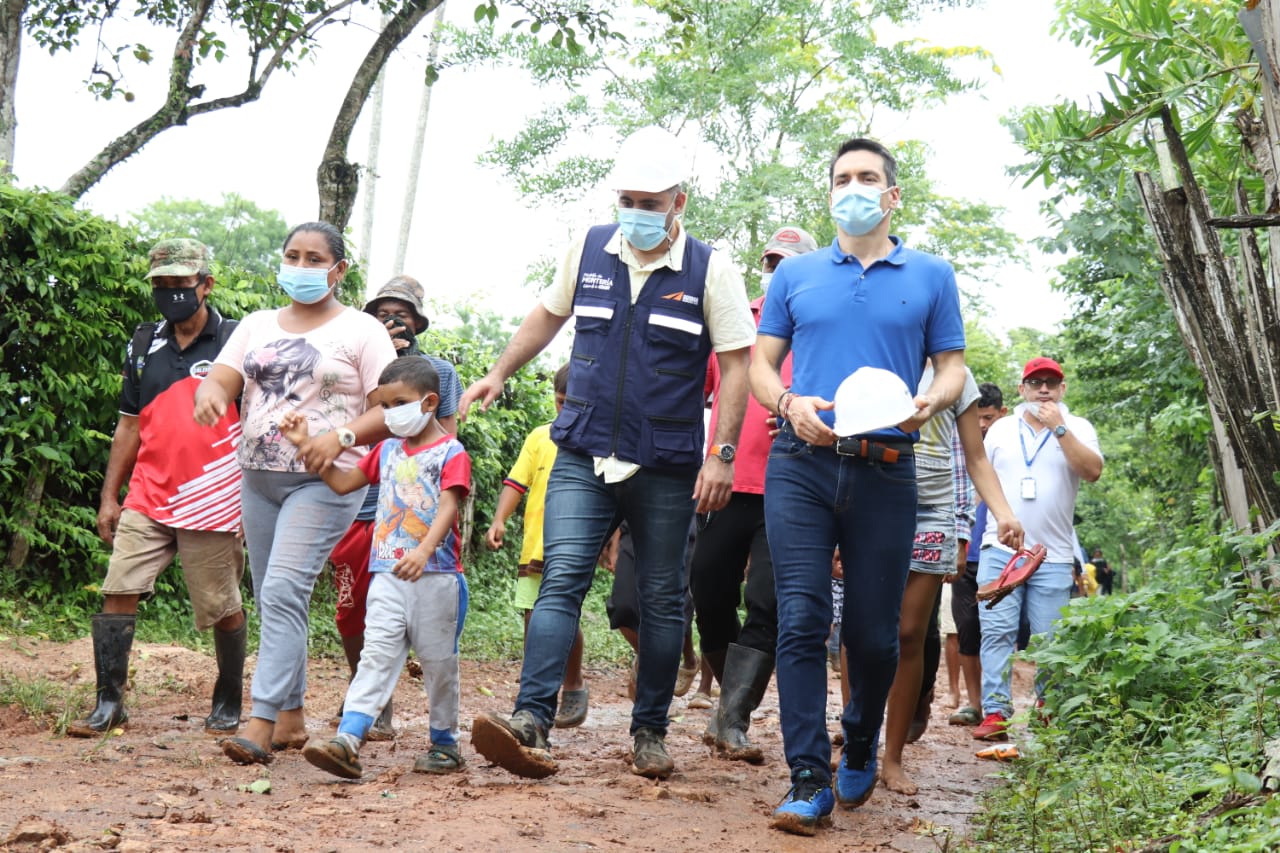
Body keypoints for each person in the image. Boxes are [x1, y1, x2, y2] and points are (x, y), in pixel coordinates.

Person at [461, 125, 755, 781]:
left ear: (679, 202)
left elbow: (737, 366)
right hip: (582, 449)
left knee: (659, 597)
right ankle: (532, 717)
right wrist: (500, 370)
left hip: (668, 462)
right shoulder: (589, 249)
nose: (639, 211)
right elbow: (546, 316)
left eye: (652, 201)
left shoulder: (712, 269)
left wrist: (722, 453)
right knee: (561, 574)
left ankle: (650, 729)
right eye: (629, 198)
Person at [749, 136, 967, 836]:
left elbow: (954, 366)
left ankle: (862, 734)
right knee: (804, 615)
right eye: (842, 177)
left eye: (867, 177)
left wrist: (931, 400)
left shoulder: (931, 274)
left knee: (876, 635)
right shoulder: (796, 275)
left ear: (892, 194)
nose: (854, 187)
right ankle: (808, 775)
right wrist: (787, 404)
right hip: (801, 463)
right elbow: (760, 366)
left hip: (887, 467)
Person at [194, 221, 397, 766]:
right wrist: (210, 396)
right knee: (275, 596)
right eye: (292, 256)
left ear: (338, 270)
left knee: (282, 588)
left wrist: (341, 436)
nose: (300, 267)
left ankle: (258, 724)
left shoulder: (362, 331)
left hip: (323, 483)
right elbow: (223, 378)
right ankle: (291, 720)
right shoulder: (256, 325)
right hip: (257, 480)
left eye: (313, 258)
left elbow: (391, 408)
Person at [72, 238, 246, 738]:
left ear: (206, 285)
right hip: (148, 494)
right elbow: (128, 425)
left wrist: (254, 503)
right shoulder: (144, 342)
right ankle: (110, 703)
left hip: (213, 498)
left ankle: (229, 698)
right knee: (118, 588)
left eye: (180, 284)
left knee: (221, 604)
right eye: (161, 285)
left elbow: (257, 424)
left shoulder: (235, 342)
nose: (170, 294)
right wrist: (110, 496)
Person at [280, 357, 471, 778]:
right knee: (375, 656)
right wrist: (303, 444)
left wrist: (422, 551)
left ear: (429, 402)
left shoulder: (451, 452)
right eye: (383, 406)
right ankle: (348, 739)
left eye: (398, 402)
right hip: (386, 575)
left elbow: (448, 505)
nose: (389, 414)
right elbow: (344, 483)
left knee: (439, 664)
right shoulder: (385, 450)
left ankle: (444, 744)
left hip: (437, 577)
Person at [690, 224, 818, 764]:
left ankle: (734, 718)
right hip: (727, 479)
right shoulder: (738, 319)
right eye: (772, 261)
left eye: (789, 262)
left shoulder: (822, 327)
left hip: (794, 483)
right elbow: (694, 389)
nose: (778, 270)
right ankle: (728, 701)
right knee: (709, 590)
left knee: (767, 601)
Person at [326, 275, 465, 740]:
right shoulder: (352, 357)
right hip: (366, 509)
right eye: (382, 312)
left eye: (401, 313)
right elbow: (349, 453)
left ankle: (441, 737)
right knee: (355, 614)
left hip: (427, 543)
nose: (391, 320)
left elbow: (444, 446)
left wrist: (427, 546)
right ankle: (359, 719)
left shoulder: (439, 374)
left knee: (435, 653)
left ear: (418, 322)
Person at [880, 363, 1023, 795]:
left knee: (911, 632)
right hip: (873, 500)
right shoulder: (878, 354)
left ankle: (892, 756)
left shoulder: (957, 376)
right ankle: (858, 745)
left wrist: (987, 519)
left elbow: (970, 457)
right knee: (863, 630)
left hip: (933, 510)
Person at [973, 357, 1103, 742]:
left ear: (1062, 390)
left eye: (1051, 383)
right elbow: (980, 478)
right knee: (996, 632)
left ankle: (1049, 712)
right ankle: (995, 712)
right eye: (1035, 383)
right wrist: (996, 520)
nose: (1043, 389)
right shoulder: (999, 429)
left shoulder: (1077, 427)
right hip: (1001, 548)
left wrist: (1058, 427)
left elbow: (1092, 472)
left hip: (1055, 553)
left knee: (1049, 640)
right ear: (1021, 390)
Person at [486, 364, 591, 729]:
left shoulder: (596, 440)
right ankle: (536, 685)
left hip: (576, 542)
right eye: (560, 402)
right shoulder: (539, 436)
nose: (565, 410)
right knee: (534, 615)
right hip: (537, 542)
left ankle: (573, 683)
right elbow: (516, 482)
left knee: (565, 612)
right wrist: (499, 519)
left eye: (572, 403)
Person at [948, 382, 1005, 728]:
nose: (982, 425)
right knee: (966, 626)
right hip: (966, 552)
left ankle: (998, 702)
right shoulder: (959, 445)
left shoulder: (1009, 446)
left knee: (1000, 629)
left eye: (988, 417)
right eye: (976, 417)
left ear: (1002, 414)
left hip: (999, 551)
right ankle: (974, 703)